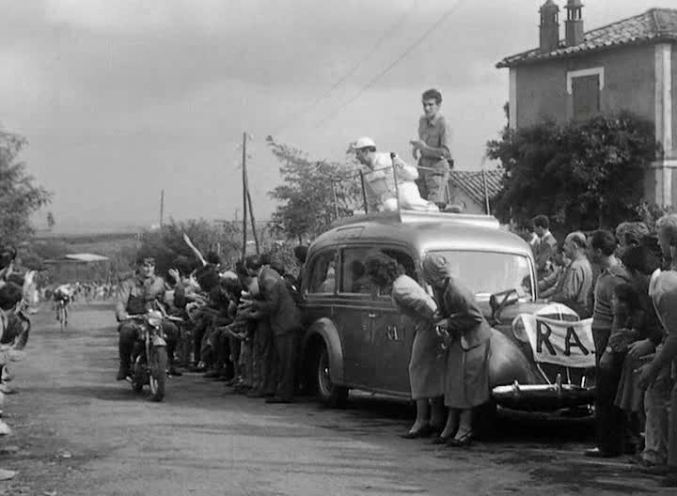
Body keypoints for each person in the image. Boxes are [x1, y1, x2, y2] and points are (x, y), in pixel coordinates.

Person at [365, 252, 445, 438]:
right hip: (429, 327)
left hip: (427, 328)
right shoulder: (404, 280)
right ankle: (435, 418)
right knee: (431, 371)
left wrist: (437, 321)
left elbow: (426, 304)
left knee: (416, 370)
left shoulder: (399, 288)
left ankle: (421, 420)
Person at [422, 253, 492, 448]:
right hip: (460, 338)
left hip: (473, 340)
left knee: (466, 383)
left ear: (432, 273)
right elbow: (445, 310)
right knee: (453, 382)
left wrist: (449, 322)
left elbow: (475, 318)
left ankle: (465, 428)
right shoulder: (438, 287)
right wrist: (441, 316)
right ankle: (450, 426)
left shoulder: (457, 291)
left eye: (424, 269)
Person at [584, 230, 632, 458]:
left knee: (608, 394)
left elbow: (619, 316)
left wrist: (610, 350)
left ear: (599, 251)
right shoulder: (605, 273)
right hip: (602, 336)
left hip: (609, 339)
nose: (586, 251)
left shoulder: (615, 277)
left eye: (589, 247)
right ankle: (613, 442)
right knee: (607, 392)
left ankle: (610, 445)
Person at [637, 214, 677, 487]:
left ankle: (669, 463)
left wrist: (654, 364)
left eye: (663, 240)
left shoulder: (667, 284)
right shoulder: (667, 279)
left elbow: (675, 334)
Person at [115, 256, 180, 380]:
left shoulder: (160, 282)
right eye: (145, 265)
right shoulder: (128, 284)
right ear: (139, 267)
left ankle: (169, 360)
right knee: (126, 332)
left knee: (172, 329)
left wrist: (174, 306)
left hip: (156, 318)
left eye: (151, 265)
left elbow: (170, 299)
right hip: (135, 319)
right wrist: (121, 313)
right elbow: (120, 302)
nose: (148, 269)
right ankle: (125, 366)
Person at [351, 137, 438, 213]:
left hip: (405, 189)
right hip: (391, 199)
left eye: (358, 153)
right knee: (389, 206)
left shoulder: (388, 158)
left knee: (407, 200)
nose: (356, 157)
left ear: (366, 152)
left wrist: (402, 166)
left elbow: (414, 175)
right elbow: (371, 199)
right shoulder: (365, 173)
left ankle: (432, 209)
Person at [410, 88, 452, 210]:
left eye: (430, 105)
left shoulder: (443, 124)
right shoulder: (422, 121)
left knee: (433, 207)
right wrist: (417, 148)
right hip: (423, 167)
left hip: (437, 170)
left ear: (438, 105)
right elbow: (422, 142)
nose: (427, 108)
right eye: (424, 105)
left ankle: (449, 209)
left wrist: (425, 148)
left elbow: (445, 152)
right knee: (419, 205)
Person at [545, 231, 594, 318]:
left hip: (573, 313)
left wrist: (549, 300)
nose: (564, 247)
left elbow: (567, 295)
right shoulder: (585, 263)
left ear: (574, 246)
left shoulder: (576, 267)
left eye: (566, 244)